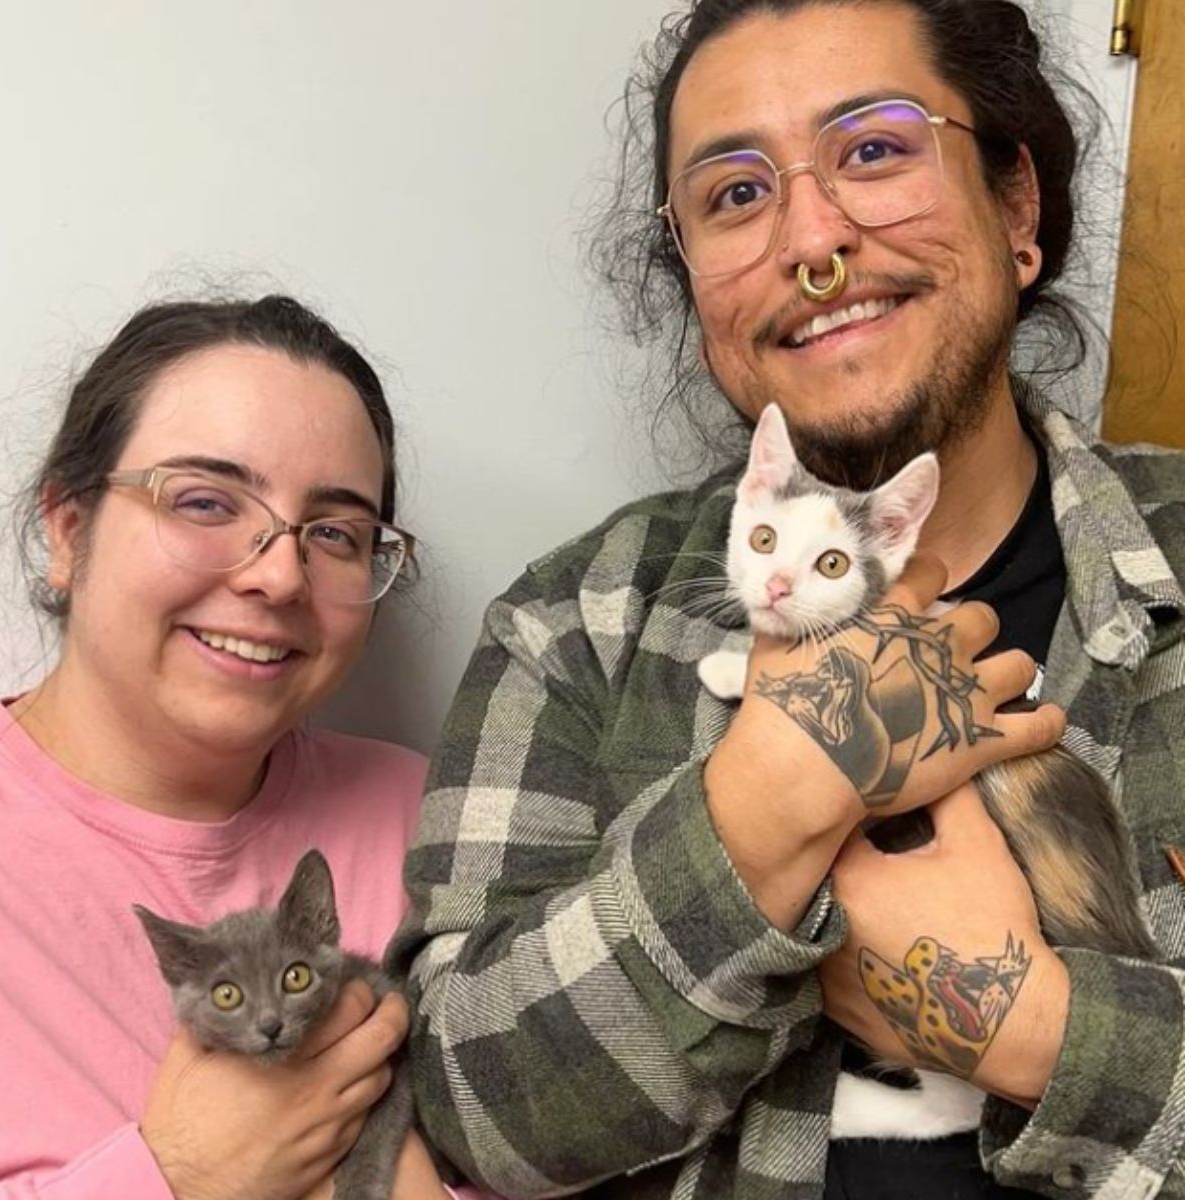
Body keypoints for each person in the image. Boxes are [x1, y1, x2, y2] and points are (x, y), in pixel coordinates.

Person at [397, 2, 1185, 1198]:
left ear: (1017, 209)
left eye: (874, 149)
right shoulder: (574, 625)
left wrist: (1038, 1028)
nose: (813, 241)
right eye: (734, 195)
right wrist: (759, 815)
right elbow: (471, 1111)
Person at [0, 296, 486, 1200]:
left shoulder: (442, 819)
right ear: (67, 528)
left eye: (334, 532)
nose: (278, 573)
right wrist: (182, 1175)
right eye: (206, 501)